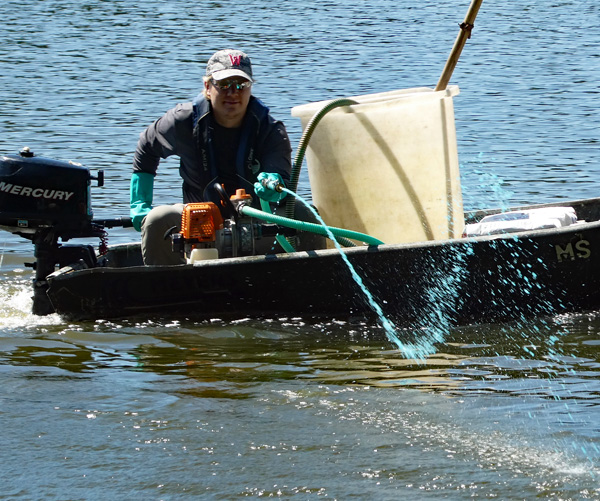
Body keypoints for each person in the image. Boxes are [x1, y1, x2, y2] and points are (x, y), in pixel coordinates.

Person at [130, 49, 292, 265]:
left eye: (240, 85)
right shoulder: (182, 121)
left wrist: (274, 186)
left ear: (250, 87)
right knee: (156, 219)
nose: (233, 93)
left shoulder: (271, 130)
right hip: (195, 222)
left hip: (257, 224)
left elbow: (282, 178)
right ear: (207, 87)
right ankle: (166, 291)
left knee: (301, 214)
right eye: (224, 85)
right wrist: (140, 202)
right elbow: (147, 147)